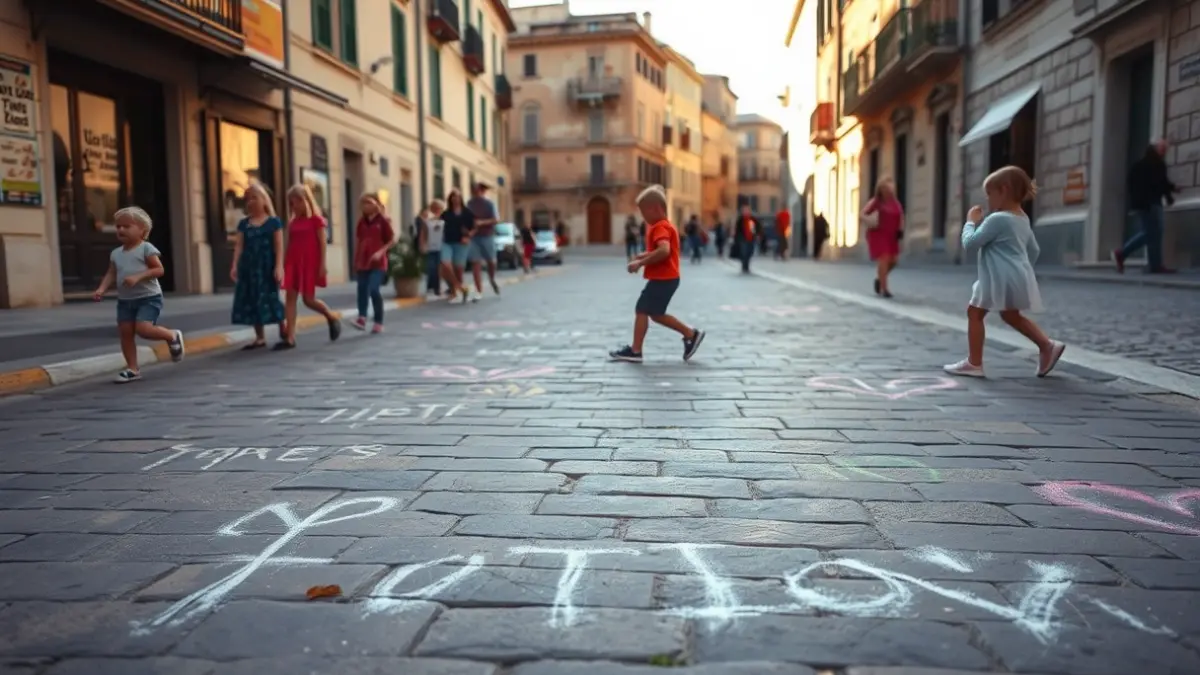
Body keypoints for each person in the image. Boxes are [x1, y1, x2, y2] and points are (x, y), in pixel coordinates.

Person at [944, 166, 1065, 379]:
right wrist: (1021, 269)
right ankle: (1047, 345)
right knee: (1011, 315)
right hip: (1016, 275)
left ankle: (974, 362)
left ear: (1004, 190)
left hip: (996, 276)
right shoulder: (1022, 218)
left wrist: (970, 222)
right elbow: (1034, 250)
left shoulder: (997, 219)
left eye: (990, 194)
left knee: (975, 313)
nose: (988, 200)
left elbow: (970, 244)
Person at [609, 185, 705, 364]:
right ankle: (691, 334)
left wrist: (640, 262)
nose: (643, 217)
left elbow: (664, 251)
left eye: (644, 212)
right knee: (656, 314)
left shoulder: (659, 227)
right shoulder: (666, 226)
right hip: (668, 278)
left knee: (641, 309)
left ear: (656, 209)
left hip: (664, 278)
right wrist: (645, 255)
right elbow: (663, 251)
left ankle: (635, 351)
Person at [92, 206, 185, 383]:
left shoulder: (146, 249)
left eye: (127, 226)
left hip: (149, 297)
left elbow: (159, 270)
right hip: (126, 300)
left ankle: (171, 336)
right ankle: (132, 369)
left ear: (142, 230)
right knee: (125, 333)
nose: (120, 229)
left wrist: (138, 277)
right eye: (118, 226)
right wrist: (102, 289)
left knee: (144, 330)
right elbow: (111, 273)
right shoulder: (116, 253)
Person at [279, 184, 341, 349]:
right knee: (289, 298)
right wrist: (284, 265)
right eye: (291, 203)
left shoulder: (316, 221)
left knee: (308, 300)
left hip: (309, 262)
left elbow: (322, 243)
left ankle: (331, 316)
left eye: (297, 202)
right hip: (293, 262)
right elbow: (289, 244)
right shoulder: (292, 223)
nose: (294, 206)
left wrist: (322, 264)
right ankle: (290, 338)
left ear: (305, 201)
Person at [230, 182, 288, 350]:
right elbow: (239, 246)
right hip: (249, 267)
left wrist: (279, 266)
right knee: (252, 299)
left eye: (255, 197)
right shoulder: (244, 224)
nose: (251, 202)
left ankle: (281, 325)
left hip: (266, 267)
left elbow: (278, 247)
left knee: (271, 297)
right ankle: (259, 336)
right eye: (248, 199)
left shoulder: (274, 223)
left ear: (264, 200)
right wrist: (234, 265)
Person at [1113, 139, 1178, 274]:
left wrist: (1171, 190)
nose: (1164, 152)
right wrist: (1170, 194)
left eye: (1165, 149)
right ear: (1155, 148)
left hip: (1144, 204)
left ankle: (1153, 264)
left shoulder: (1140, 164)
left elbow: (1135, 183)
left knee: (1152, 234)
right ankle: (1124, 254)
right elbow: (1161, 183)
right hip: (1151, 204)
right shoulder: (1157, 164)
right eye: (1162, 149)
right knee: (1153, 233)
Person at [351, 192, 396, 333]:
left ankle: (378, 321)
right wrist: (356, 259)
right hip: (363, 261)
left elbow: (391, 240)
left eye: (369, 202)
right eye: (363, 203)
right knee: (362, 289)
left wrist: (381, 252)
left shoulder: (383, 221)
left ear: (376, 204)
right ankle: (362, 318)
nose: (366, 206)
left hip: (378, 262)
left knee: (374, 290)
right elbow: (359, 241)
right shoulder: (361, 222)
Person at [862, 178, 904, 298]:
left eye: (889, 188)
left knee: (894, 261)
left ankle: (880, 279)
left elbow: (900, 216)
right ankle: (884, 289)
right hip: (879, 234)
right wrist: (870, 220)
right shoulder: (876, 202)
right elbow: (862, 214)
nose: (887, 191)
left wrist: (901, 230)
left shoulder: (895, 203)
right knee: (884, 259)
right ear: (880, 189)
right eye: (884, 188)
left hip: (892, 235)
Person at [439, 188, 475, 303]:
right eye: (453, 196)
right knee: (446, 265)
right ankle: (458, 289)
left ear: (461, 198)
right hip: (447, 242)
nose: (456, 198)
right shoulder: (445, 213)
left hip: (461, 243)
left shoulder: (467, 213)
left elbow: (474, 228)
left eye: (458, 196)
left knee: (459, 269)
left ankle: (459, 291)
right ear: (450, 199)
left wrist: (468, 236)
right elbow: (439, 227)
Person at [467, 182, 501, 301]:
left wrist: (482, 222)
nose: (475, 193)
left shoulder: (489, 204)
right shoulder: (469, 204)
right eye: (473, 191)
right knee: (475, 263)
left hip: (487, 236)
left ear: (482, 191)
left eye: (477, 191)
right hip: (474, 238)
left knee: (491, 262)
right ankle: (478, 291)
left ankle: (492, 278)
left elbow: (496, 219)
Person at [419, 200, 446, 299]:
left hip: (441, 247)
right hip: (430, 247)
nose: (437, 210)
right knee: (431, 268)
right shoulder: (427, 221)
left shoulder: (444, 220)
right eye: (435, 208)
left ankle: (437, 288)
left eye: (439, 208)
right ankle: (430, 286)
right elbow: (423, 234)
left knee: (439, 269)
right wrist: (422, 245)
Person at [733, 203, 759, 274]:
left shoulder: (752, 219)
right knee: (744, 253)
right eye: (745, 210)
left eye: (747, 210)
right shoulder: (740, 220)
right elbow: (737, 230)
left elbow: (756, 228)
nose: (746, 212)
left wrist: (757, 234)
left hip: (751, 238)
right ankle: (744, 267)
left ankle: (746, 266)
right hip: (743, 239)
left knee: (750, 253)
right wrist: (736, 238)